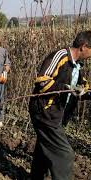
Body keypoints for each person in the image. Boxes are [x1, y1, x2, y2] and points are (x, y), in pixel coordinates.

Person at [29, 31, 91, 180]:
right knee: (65, 155)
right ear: (83, 47)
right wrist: (67, 87)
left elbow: (81, 88)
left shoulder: (77, 66)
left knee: (44, 150)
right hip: (45, 112)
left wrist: (83, 90)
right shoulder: (60, 56)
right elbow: (42, 82)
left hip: (57, 114)